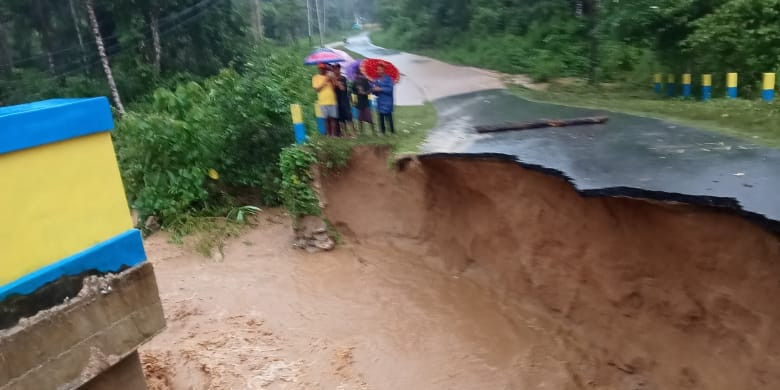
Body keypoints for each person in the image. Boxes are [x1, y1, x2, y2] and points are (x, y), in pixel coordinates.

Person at [312, 63, 339, 136]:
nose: (322, 69)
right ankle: (328, 134)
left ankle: (333, 135)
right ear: (318, 69)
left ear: (325, 69)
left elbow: (334, 89)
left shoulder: (330, 76)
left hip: (332, 100)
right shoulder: (315, 77)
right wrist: (326, 80)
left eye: (323, 68)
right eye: (320, 68)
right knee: (326, 119)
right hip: (323, 101)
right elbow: (317, 89)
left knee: (333, 118)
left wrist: (332, 80)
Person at [372, 64, 395, 135]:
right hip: (380, 101)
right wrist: (374, 90)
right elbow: (374, 93)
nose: (378, 71)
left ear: (384, 70)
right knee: (381, 117)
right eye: (377, 69)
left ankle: (392, 132)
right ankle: (382, 132)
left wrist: (381, 89)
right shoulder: (376, 80)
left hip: (388, 101)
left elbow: (390, 90)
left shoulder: (389, 79)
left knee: (389, 117)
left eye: (380, 69)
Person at [333, 63, 355, 137]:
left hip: (344, 100)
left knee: (348, 117)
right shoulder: (333, 79)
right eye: (334, 69)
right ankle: (344, 133)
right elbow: (332, 90)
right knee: (341, 118)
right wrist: (334, 83)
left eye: (337, 69)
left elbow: (343, 88)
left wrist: (337, 83)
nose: (336, 71)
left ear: (339, 69)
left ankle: (352, 133)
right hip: (337, 101)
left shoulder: (343, 78)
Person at [353, 68, 375, 134]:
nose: (357, 76)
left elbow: (370, 90)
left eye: (359, 74)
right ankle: (361, 132)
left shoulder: (365, 81)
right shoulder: (355, 82)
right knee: (360, 119)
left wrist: (364, 93)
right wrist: (356, 90)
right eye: (357, 75)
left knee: (369, 118)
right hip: (359, 102)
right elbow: (353, 91)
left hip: (365, 102)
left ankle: (373, 132)